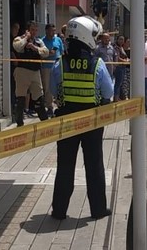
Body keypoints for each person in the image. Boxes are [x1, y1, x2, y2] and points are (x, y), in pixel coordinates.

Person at [49, 16, 113, 221]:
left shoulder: (60, 64)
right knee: (94, 166)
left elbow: (53, 91)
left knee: (65, 167)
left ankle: (59, 211)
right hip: (92, 122)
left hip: (66, 121)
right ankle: (98, 209)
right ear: (86, 37)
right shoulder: (97, 64)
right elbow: (108, 92)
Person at [12, 21, 49, 126]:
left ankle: (45, 122)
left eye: (36, 30)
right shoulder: (19, 39)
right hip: (22, 72)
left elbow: (46, 52)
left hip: (35, 72)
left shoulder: (39, 41)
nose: (34, 32)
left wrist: (34, 47)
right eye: (32, 30)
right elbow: (17, 47)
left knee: (39, 98)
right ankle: (19, 124)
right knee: (20, 99)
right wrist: (26, 38)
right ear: (27, 30)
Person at [41, 23, 64, 117]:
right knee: (47, 88)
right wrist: (49, 53)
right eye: (51, 30)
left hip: (58, 67)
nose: (53, 32)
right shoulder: (42, 41)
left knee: (59, 86)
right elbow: (41, 54)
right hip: (46, 67)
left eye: (54, 30)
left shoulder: (58, 40)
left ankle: (60, 105)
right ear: (46, 31)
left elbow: (62, 52)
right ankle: (49, 107)